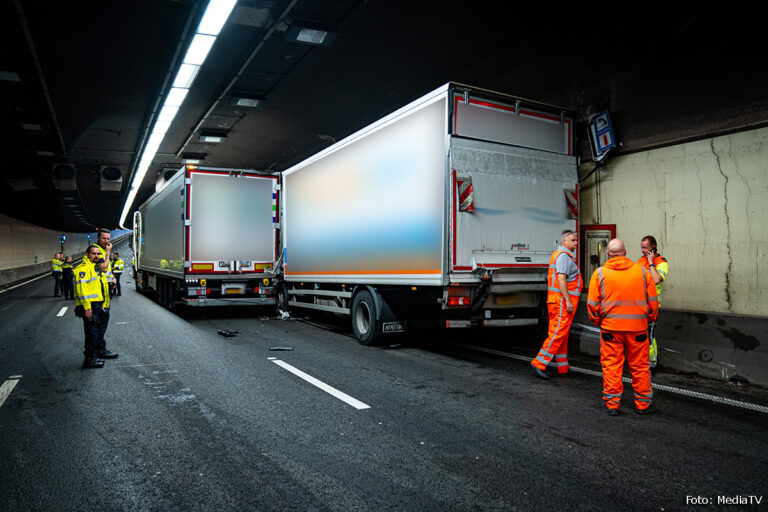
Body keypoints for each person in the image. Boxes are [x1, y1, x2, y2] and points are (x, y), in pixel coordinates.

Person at [587, 239, 659, 416]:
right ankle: (643, 404)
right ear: (625, 252)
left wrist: (599, 322)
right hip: (638, 329)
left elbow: (592, 304)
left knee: (611, 366)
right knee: (640, 366)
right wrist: (649, 320)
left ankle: (612, 404)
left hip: (611, 329)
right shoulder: (642, 272)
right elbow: (653, 302)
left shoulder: (600, 273)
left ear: (609, 253)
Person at [531, 230, 583, 379]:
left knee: (562, 334)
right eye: (572, 240)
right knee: (558, 333)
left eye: (576, 240)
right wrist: (568, 300)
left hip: (557, 301)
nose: (575, 243)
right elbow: (561, 279)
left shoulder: (560, 255)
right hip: (562, 303)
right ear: (564, 241)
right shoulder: (564, 257)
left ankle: (563, 366)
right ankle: (539, 362)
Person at [74, 245, 118, 368]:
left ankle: (96, 354)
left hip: (98, 305)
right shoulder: (83, 269)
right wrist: (87, 308)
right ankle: (89, 359)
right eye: (94, 253)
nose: (97, 256)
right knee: (91, 333)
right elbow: (82, 290)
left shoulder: (95, 267)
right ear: (87, 254)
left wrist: (108, 252)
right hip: (90, 306)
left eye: (98, 254)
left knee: (96, 332)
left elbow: (104, 268)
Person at [637, 235, 669, 369]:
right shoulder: (640, 260)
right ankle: (640, 360)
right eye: (642, 248)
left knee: (650, 335)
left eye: (645, 248)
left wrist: (651, 262)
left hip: (653, 305)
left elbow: (656, 280)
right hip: (639, 305)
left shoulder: (661, 262)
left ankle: (652, 362)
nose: (643, 251)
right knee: (639, 335)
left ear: (653, 248)